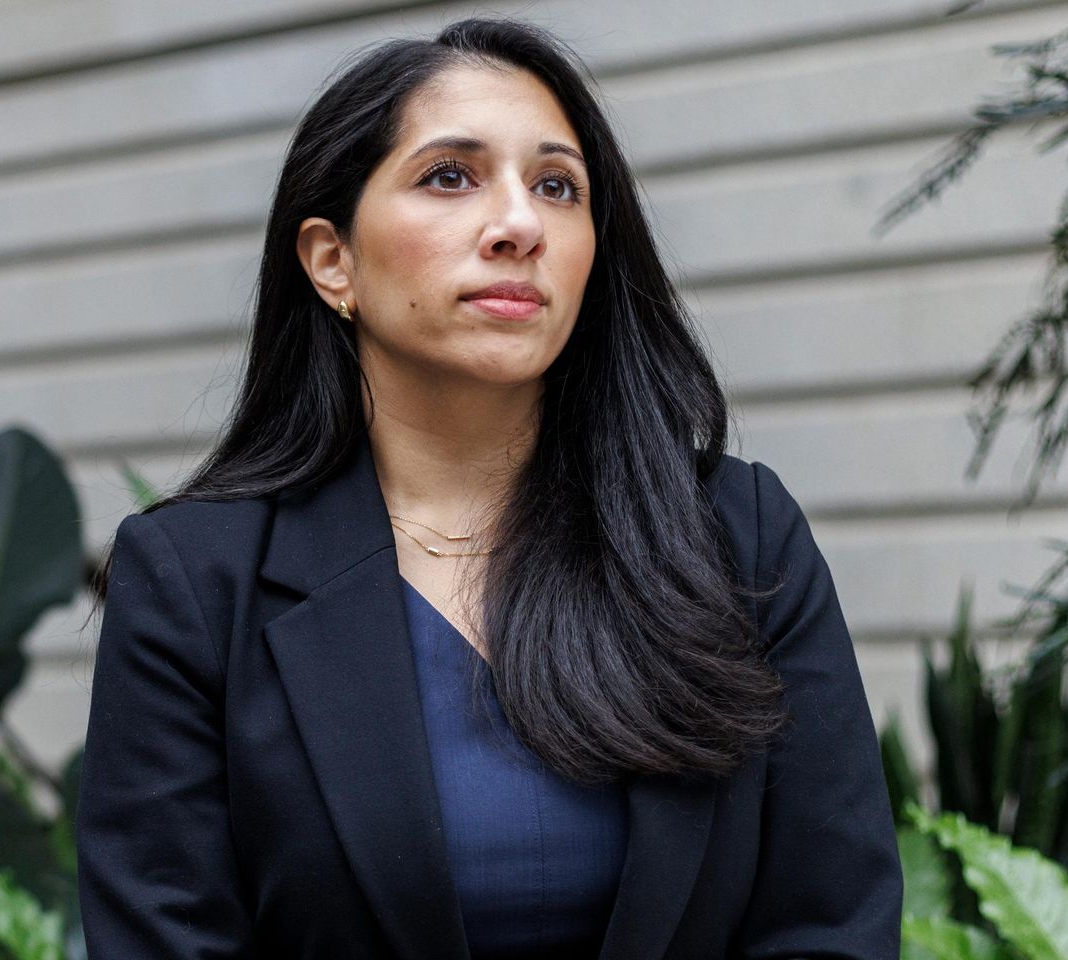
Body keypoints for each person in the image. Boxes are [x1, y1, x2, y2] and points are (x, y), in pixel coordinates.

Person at [75, 15, 902, 960]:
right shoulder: (196, 582)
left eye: (557, 186)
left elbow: (830, 920)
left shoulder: (738, 537)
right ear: (332, 260)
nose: (520, 226)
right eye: (450, 176)